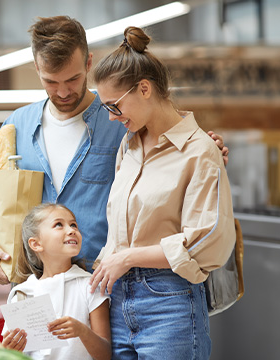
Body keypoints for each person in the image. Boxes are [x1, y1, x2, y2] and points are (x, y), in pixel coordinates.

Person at [0, 15, 229, 285]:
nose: (62, 92)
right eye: (51, 81)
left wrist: (208, 152)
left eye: (72, 79)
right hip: (35, 287)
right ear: (36, 67)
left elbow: (177, 172)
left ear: (89, 63)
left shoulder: (125, 122)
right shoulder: (15, 128)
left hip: (107, 287)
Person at [89, 26, 236, 360]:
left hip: (168, 302)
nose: (112, 118)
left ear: (144, 89)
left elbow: (207, 240)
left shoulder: (199, 151)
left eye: (114, 106)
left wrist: (127, 257)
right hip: (118, 301)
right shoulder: (128, 147)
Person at [1, 203, 111, 360]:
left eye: (74, 225)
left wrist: (82, 331)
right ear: (36, 244)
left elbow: (105, 355)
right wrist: (9, 350)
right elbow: (13, 354)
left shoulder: (91, 285)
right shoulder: (21, 293)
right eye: (59, 224)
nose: (72, 230)